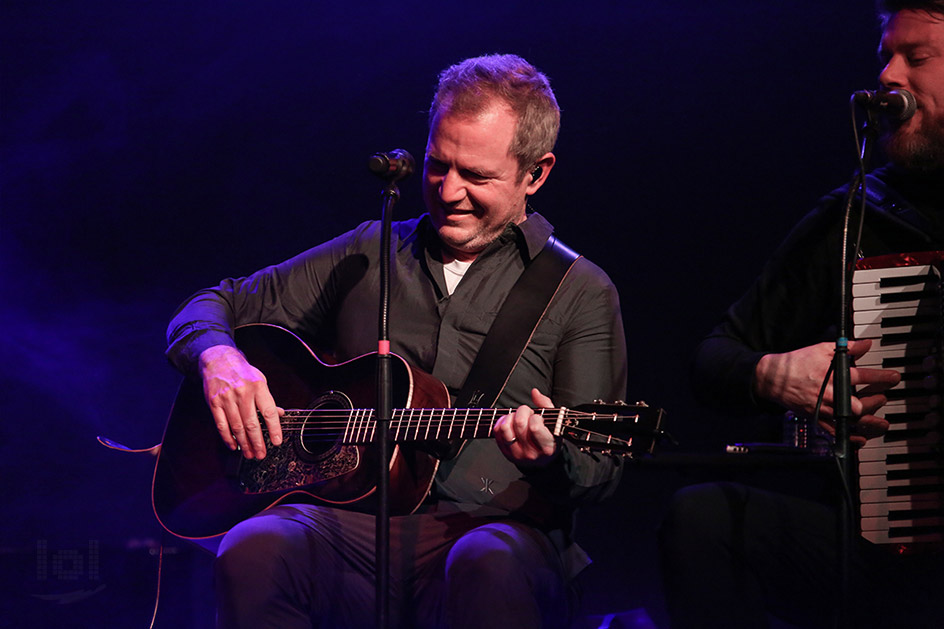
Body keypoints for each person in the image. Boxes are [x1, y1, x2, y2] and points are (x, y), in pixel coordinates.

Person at [165, 53, 628, 629]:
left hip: (493, 530)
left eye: (477, 176)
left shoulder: (579, 290)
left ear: (535, 173)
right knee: (254, 546)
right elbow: (214, 303)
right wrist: (218, 357)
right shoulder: (368, 253)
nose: (449, 191)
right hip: (354, 526)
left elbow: (600, 468)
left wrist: (553, 457)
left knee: (485, 561)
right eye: (438, 165)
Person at [659, 2, 944, 627]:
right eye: (885, 58)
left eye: (916, 57)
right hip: (894, 555)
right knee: (702, 519)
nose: (889, 75)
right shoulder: (860, 216)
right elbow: (714, 356)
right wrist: (772, 375)